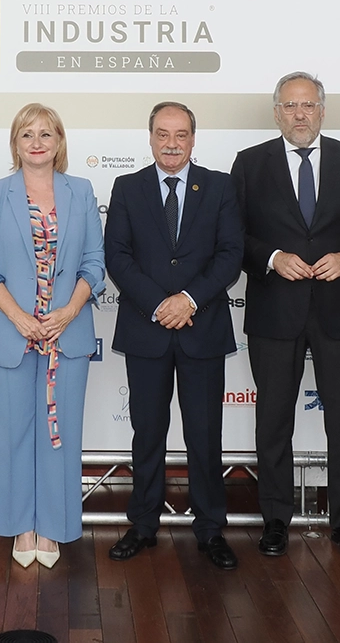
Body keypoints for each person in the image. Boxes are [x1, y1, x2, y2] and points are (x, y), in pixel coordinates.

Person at [229, 72, 340, 560]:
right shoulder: (249, 163)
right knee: (273, 420)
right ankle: (276, 519)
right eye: (290, 106)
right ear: (276, 112)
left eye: (308, 105)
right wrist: (272, 257)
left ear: (322, 110)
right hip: (275, 311)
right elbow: (233, 235)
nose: (300, 114)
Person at [105, 102, 244, 570]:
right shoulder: (127, 187)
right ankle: (143, 524)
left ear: (193, 139)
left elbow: (230, 255)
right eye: (162, 134)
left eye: (180, 134)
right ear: (150, 138)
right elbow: (117, 256)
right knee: (148, 433)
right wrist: (159, 305)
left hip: (201, 328)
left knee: (204, 435)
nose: (171, 143)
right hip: (146, 330)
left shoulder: (220, 186)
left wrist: (188, 300)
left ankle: (211, 529)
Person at [0, 103, 105, 568]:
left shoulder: (81, 191)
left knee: (59, 435)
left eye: (46, 133)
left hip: (66, 333)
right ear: (15, 143)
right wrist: (19, 318)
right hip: (10, 333)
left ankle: (52, 529)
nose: (37, 142)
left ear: (59, 141)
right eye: (27, 134)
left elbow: (94, 263)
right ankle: (20, 527)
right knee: (11, 435)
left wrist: (68, 312)